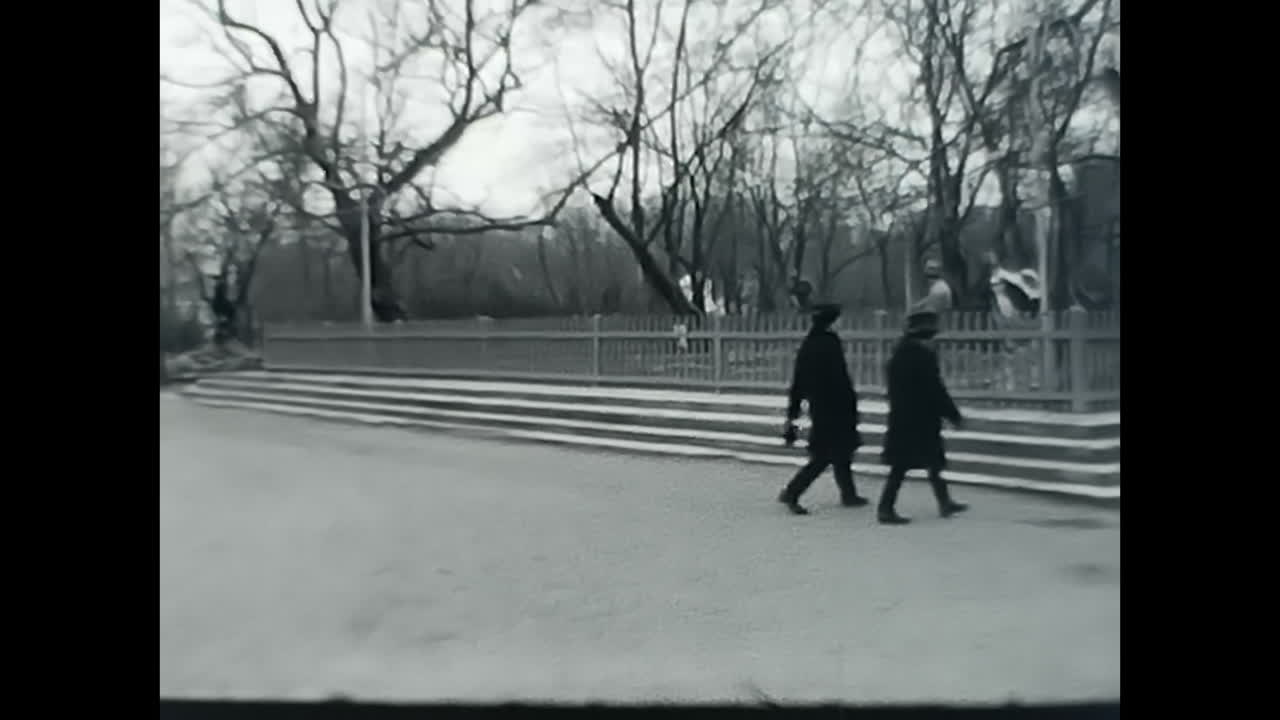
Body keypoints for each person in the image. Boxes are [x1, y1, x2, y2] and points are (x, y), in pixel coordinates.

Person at [878, 309, 969, 525]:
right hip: (920, 419)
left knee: (929, 462)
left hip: (905, 418)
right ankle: (885, 508)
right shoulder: (921, 356)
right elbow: (935, 389)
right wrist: (953, 415)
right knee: (903, 466)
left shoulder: (900, 353)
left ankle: (944, 501)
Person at [777, 302, 869, 515]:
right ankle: (792, 492)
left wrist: (794, 413)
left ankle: (848, 493)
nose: (842, 323)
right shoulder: (829, 344)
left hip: (822, 407)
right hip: (835, 408)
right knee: (824, 456)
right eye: (839, 319)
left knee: (842, 453)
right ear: (832, 322)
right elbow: (839, 379)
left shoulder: (810, 343)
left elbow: (798, 382)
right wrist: (850, 404)